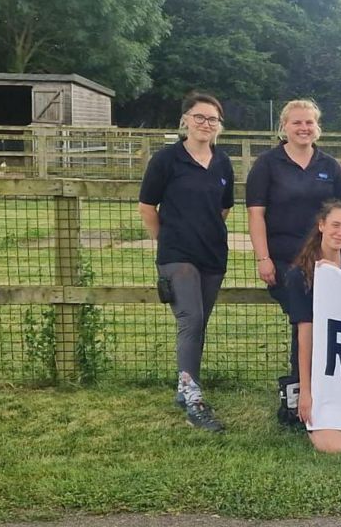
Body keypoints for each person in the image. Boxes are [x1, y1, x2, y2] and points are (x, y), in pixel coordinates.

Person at [245, 99, 341, 426]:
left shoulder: (329, 166)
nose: (304, 128)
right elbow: (256, 214)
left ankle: (311, 391)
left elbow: (340, 216)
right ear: (284, 127)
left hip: (322, 262)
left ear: (318, 128)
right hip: (283, 259)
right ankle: (299, 394)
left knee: (315, 322)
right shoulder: (267, 164)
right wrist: (263, 258)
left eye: (309, 123)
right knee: (305, 319)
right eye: (297, 123)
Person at [138, 91, 234, 433]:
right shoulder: (166, 160)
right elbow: (147, 207)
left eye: (212, 119)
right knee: (190, 319)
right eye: (199, 117)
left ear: (219, 125)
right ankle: (192, 398)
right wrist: (167, 239)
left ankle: (187, 384)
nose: (205, 124)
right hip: (177, 254)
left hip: (212, 253)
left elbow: (224, 207)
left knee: (200, 322)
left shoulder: (222, 162)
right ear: (185, 121)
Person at [284, 201, 341, 453]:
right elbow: (305, 336)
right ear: (321, 226)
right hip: (318, 368)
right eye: (335, 225)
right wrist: (306, 392)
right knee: (334, 447)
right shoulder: (299, 275)